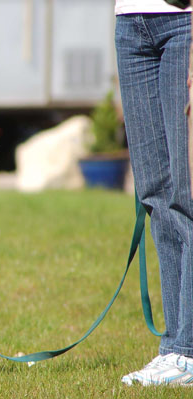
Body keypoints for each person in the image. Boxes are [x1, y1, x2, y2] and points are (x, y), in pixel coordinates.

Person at [114, 0, 193, 386]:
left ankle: (188, 351)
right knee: (156, 195)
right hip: (130, 23)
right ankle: (176, 349)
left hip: (184, 22)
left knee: (186, 195)